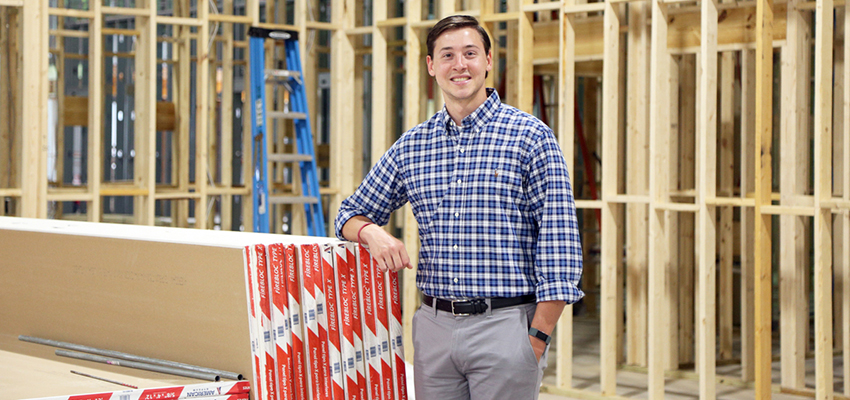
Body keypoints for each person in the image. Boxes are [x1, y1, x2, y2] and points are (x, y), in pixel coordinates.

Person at [334, 14, 583, 400]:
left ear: (487, 60)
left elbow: (559, 247)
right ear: (432, 66)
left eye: (470, 53)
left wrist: (535, 338)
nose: (460, 64)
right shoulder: (413, 145)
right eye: (447, 55)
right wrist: (371, 233)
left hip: (506, 327)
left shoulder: (530, 138)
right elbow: (348, 214)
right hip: (433, 329)